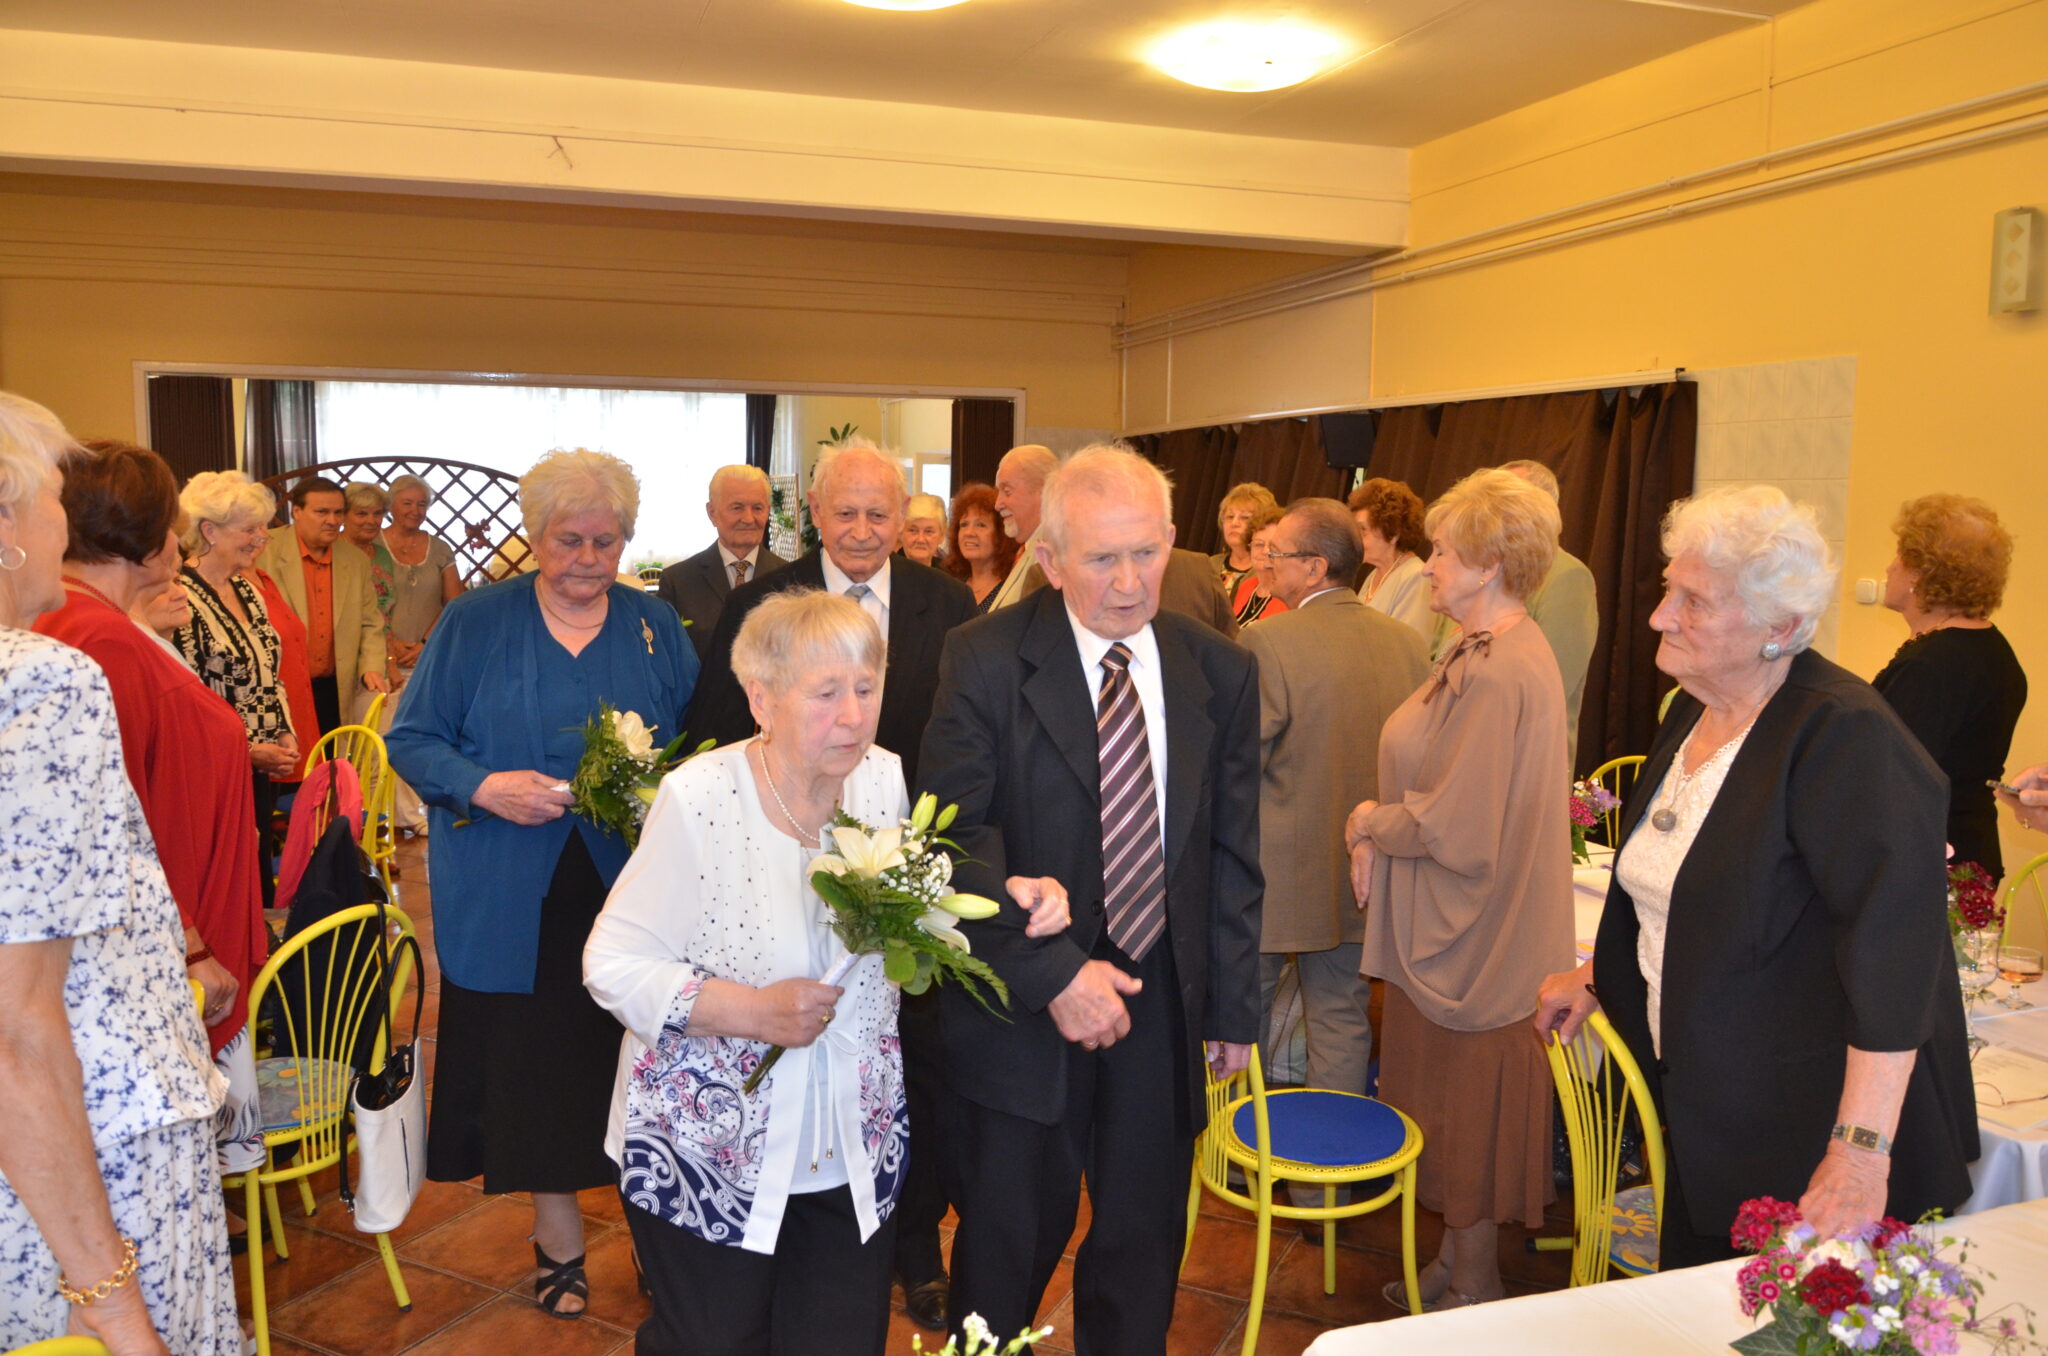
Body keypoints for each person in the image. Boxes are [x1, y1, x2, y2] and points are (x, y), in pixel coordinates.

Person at [585, 590, 1071, 1355]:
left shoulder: (881, 779)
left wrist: (1009, 895)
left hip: (849, 1140)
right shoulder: (700, 797)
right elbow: (611, 963)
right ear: (762, 699)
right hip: (711, 1150)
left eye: (866, 688)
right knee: (714, 1343)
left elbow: (916, 897)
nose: (853, 715)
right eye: (825, 693)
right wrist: (751, 1011)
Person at [1536, 486, 1977, 1269]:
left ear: (1780, 629)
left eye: (1694, 602)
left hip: (1806, 1134)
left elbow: (1897, 960)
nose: (1659, 617)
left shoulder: (1847, 736)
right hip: (1709, 1109)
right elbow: (1685, 891)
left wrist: (1859, 1153)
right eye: (1668, 589)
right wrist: (1600, 974)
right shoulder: (1695, 707)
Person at [920, 445, 1263, 1351]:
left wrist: (1231, 1004)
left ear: (1174, 540)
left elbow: (1232, 850)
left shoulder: (1218, 669)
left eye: (1146, 553)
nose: (1129, 582)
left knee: (1143, 1245)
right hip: (1026, 1005)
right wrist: (1056, 975)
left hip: (1161, 1003)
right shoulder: (984, 658)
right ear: (1049, 558)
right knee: (1006, 1247)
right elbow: (952, 837)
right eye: (1103, 559)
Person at [387, 448, 699, 1318]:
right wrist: (485, 785)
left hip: (629, 887)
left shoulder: (653, 625)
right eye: (569, 541)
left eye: (607, 541)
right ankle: (557, 1234)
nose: (588, 560)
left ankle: (654, 1233)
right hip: (509, 889)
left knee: (638, 1062)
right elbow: (412, 738)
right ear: (535, 536)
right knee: (536, 1069)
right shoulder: (476, 622)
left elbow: (695, 747)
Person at [0, 391, 236, 1355]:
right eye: (52, 497)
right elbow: (17, 1030)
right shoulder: (39, 677)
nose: (65, 523)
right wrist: (110, 1301)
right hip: (90, 1144)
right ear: (7, 522)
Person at [1343, 468, 1573, 1310]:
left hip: (1475, 942)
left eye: (1441, 551)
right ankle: (1455, 1262)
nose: (1429, 564)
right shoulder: (1483, 648)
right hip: (1457, 927)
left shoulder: (1501, 667)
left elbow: (1458, 827)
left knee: (1466, 1112)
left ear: (1487, 565)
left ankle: (1474, 1282)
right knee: (1447, 1107)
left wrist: (1369, 820)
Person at [34, 440, 266, 1178]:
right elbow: (117, 814)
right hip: (168, 931)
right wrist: (192, 946)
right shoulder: (95, 637)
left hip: (174, 913)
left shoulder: (96, 622)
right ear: (148, 539)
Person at [1240, 500, 1427, 1117]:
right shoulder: (1407, 643)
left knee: (1242, 1015)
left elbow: (1240, 761)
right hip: (1365, 868)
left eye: (1278, 553)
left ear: (1316, 567)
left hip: (1273, 874)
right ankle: (1329, 1163)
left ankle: (1242, 1149)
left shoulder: (1268, 639)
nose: (1267, 562)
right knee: (1341, 1014)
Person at [687, 441, 975, 787]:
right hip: (790, 812)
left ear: (902, 512)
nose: (862, 533)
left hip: (913, 812)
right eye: (846, 514)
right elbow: (716, 741)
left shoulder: (950, 604)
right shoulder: (757, 606)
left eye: (878, 515)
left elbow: (966, 736)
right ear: (817, 509)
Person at [1872, 494, 2025, 878]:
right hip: (1967, 852)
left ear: (1920, 573)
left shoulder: (1932, 666)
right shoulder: (1990, 647)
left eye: (1899, 557)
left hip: (1931, 864)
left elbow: (1889, 778)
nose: (1890, 567)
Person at [174, 471, 304, 906]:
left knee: (255, 875)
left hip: (261, 769)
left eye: (262, 527)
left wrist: (283, 731)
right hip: (213, 770)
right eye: (249, 529)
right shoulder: (180, 597)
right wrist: (246, 750)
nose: (261, 538)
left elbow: (270, 672)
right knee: (226, 883)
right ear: (209, 531)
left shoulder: (248, 590)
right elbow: (187, 699)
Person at [254, 475, 388, 739]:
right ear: (297, 512)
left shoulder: (356, 560)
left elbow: (371, 622)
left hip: (334, 687)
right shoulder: (263, 551)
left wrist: (372, 666)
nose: (332, 520)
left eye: (338, 512)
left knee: (330, 759)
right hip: (279, 684)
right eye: (322, 512)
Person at [1498, 460, 1600, 759]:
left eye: (1505, 498)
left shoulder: (1567, 575)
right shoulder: (1483, 571)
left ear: (1541, 507)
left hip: (1529, 756)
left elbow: (1550, 684)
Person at [380, 474, 462, 833]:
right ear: (392, 505)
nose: (415, 510)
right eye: (407, 503)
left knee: (417, 737)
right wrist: (390, 645)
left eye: (422, 504)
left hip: (427, 658)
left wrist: (425, 644)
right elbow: (365, 601)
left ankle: (411, 815)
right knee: (381, 737)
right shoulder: (373, 545)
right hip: (380, 658)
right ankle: (380, 816)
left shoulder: (440, 549)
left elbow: (454, 602)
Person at [655, 464, 790, 660]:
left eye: (757, 508)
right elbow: (665, 658)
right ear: (712, 513)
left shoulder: (791, 578)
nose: (748, 518)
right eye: (737, 508)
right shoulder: (677, 582)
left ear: (768, 511)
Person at [1349, 477, 1432, 638]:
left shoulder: (1417, 577)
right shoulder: (1374, 575)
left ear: (1393, 534)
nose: (1355, 539)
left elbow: (1407, 644)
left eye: (1363, 530)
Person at [986, 444, 1060, 612]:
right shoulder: (1029, 548)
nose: (997, 504)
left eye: (1007, 491)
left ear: (1044, 491)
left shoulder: (1052, 555)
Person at [940, 482, 1016, 614]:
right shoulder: (950, 585)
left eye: (980, 525)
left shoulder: (1011, 590)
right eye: (964, 524)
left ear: (1000, 534)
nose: (969, 533)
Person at [1210, 482, 1277, 601]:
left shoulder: (1267, 571)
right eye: (1230, 516)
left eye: (1245, 517)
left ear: (1263, 524)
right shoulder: (1209, 564)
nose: (1234, 523)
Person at [1231, 504, 1290, 626]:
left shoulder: (1289, 596)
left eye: (1273, 546)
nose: (1265, 551)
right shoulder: (1246, 585)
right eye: (1259, 544)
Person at [903, 493, 948, 566]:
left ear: (941, 536)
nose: (920, 539)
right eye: (913, 530)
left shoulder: (948, 572)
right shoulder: (888, 568)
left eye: (929, 532)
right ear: (901, 532)